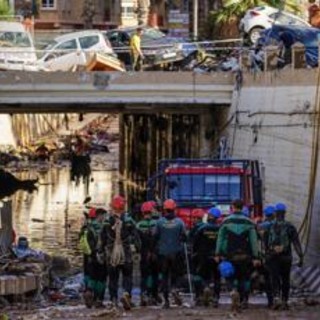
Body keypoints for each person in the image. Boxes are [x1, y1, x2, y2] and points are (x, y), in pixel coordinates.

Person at [215, 199, 260, 311]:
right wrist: (256, 256)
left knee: (229, 276)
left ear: (232, 207)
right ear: (242, 207)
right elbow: (254, 242)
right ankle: (244, 300)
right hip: (245, 256)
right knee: (244, 278)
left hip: (230, 255)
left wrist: (217, 253)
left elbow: (220, 239)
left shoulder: (225, 222)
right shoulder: (249, 222)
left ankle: (233, 291)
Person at [100, 195, 140, 309]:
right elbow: (136, 237)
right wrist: (137, 250)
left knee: (113, 278)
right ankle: (127, 295)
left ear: (112, 207)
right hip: (126, 254)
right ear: (123, 207)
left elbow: (102, 238)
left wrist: (100, 252)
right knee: (127, 276)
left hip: (112, 254)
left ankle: (113, 300)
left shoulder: (107, 221)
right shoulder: (129, 220)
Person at [265, 202, 303, 310]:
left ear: (275, 213)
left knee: (274, 278)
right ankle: (285, 301)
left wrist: (266, 256)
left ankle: (276, 298)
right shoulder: (290, 226)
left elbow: (265, 244)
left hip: (272, 257)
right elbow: (296, 243)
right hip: (286, 257)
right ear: (285, 213)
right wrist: (300, 257)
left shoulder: (269, 226)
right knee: (285, 279)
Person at [155, 199, 187, 308]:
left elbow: (155, 236)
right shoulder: (180, 222)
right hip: (176, 253)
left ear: (164, 209)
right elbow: (185, 237)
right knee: (176, 274)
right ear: (174, 209)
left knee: (164, 276)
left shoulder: (159, 222)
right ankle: (174, 289)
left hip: (163, 253)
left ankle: (166, 301)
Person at [191, 207, 221, 307]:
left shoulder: (202, 228)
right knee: (217, 277)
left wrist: (194, 253)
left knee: (202, 276)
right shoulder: (220, 229)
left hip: (203, 257)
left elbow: (195, 243)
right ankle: (216, 298)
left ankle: (205, 288)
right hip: (216, 257)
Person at [80, 208, 107, 308]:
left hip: (88, 257)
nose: (105, 217)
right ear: (99, 216)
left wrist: (90, 254)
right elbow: (106, 241)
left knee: (91, 277)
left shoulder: (86, 227)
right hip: (100, 256)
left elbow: (82, 242)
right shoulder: (103, 227)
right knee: (101, 278)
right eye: (104, 215)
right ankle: (98, 300)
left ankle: (89, 291)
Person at [136, 201, 159, 306]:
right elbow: (158, 239)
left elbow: (136, 241)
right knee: (154, 275)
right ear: (151, 211)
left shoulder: (139, 225)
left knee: (145, 275)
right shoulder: (157, 224)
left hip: (144, 253)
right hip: (155, 253)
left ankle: (144, 294)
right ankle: (153, 296)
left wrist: (138, 251)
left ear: (142, 212)